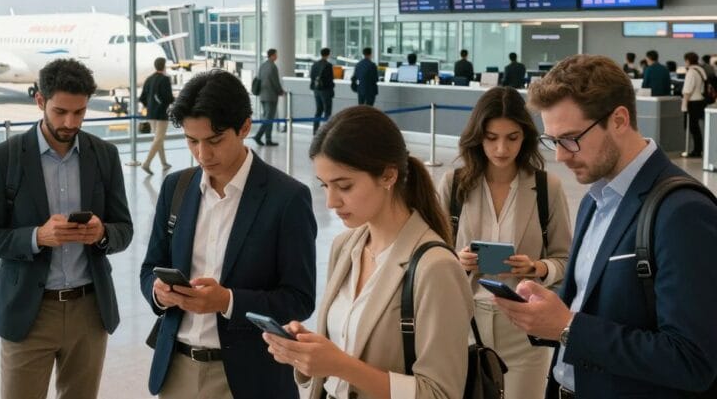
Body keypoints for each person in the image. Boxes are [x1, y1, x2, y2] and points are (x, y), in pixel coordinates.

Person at [492, 54, 717, 399]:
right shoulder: (593, 200)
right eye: (553, 141)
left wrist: (567, 326)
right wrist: (549, 311)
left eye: (570, 138)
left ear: (619, 120)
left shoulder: (682, 211)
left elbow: (692, 360)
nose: (561, 157)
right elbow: (593, 306)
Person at [264, 106, 473, 399]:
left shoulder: (435, 267)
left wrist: (341, 365)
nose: (331, 202)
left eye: (344, 186)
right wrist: (307, 354)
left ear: (388, 176)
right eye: (325, 186)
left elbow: (440, 393)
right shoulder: (345, 246)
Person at [140, 69, 317, 398]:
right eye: (192, 141)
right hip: (176, 369)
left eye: (215, 140)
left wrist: (228, 301)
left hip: (247, 378)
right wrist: (158, 291)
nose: (202, 155)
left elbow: (299, 299)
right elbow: (150, 267)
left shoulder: (287, 198)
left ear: (245, 127)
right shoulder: (175, 187)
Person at [0, 58, 134, 399]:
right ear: (40, 101)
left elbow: (125, 230)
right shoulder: (5, 157)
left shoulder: (104, 155)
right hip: (29, 310)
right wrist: (37, 237)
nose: (70, 122)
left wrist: (102, 233)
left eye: (79, 112)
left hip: (89, 310)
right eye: (60, 111)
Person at [437, 86, 572, 399]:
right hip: (464, 325)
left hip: (525, 329)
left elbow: (565, 259)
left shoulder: (546, 186)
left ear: (524, 136)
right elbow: (428, 256)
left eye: (512, 137)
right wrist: (456, 260)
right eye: (491, 137)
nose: (501, 148)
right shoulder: (454, 184)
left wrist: (536, 267)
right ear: (478, 136)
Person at [139, 56, 174, 174]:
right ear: (163, 66)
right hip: (161, 114)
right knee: (158, 139)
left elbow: (142, 97)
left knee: (158, 139)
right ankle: (146, 163)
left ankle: (164, 163)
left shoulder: (149, 79)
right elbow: (168, 97)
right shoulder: (165, 79)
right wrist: (172, 101)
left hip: (151, 114)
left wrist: (150, 106)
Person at [253, 48, 284, 147]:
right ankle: (259, 136)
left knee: (267, 117)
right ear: (272, 56)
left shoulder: (263, 66)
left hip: (262, 95)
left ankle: (267, 139)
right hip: (271, 96)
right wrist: (280, 91)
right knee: (269, 118)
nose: (277, 56)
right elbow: (275, 82)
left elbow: (259, 79)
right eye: (276, 54)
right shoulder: (273, 67)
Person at [681, 52, 707, 158]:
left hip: (692, 102)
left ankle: (696, 150)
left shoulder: (691, 72)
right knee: (696, 127)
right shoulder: (701, 70)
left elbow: (688, 89)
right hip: (700, 100)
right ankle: (698, 149)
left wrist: (684, 104)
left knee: (692, 127)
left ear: (687, 60)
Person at [309, 48, 335, 135]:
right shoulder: (328, 65)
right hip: (326, 90)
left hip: (316, 90)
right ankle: (325, 131)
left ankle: (315, 130)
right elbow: (330, 79)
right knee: (327, 111)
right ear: (328, 54)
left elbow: (312, 77)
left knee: (318, 110)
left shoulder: (315, 65)